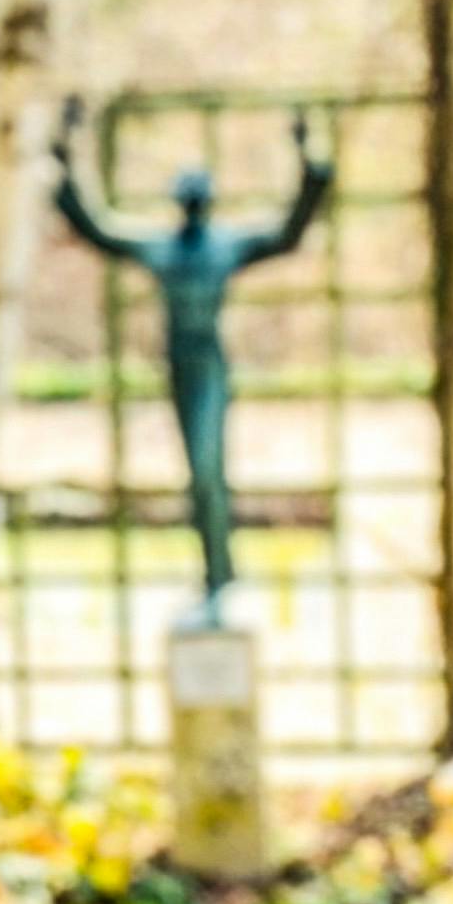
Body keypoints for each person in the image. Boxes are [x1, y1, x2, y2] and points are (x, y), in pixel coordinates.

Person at [50, 103, 331, 621]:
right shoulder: (164, 251)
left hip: (208, 363)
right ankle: (214, 573)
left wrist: (308, 159)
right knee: (197, 471)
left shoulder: (223, 249)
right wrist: (65, 160)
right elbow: (95, 229)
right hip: (180, 363)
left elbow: (288, 233)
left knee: (208, 468)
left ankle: (221, 575)